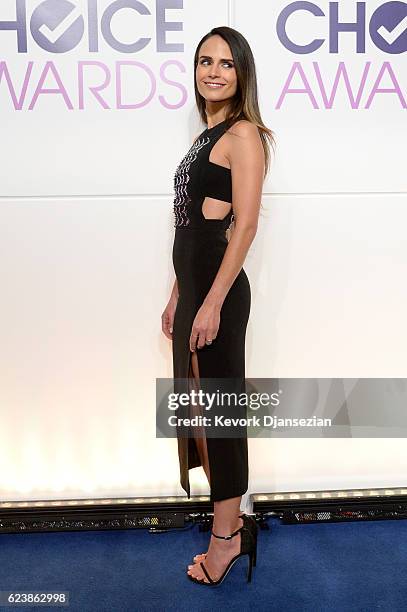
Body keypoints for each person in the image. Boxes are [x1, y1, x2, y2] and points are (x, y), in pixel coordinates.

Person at [162, 26, 274, 586]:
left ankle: (225, 538)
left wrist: (210, 303)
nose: (213, 71)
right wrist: (177, 294)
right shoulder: (204, 135)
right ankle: (228, 521)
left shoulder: (244, 134)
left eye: (226, 63)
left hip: (221, 294)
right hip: (196, 286)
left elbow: (244, 224)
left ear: (242, 73)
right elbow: (189, 225)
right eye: (205, 61)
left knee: (221, 416)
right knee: (199, 415)